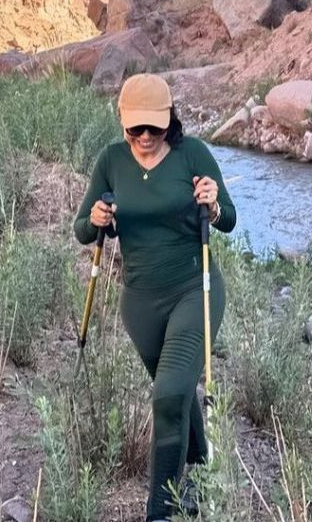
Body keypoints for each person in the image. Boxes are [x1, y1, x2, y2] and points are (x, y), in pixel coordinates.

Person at [73, 73, 236, 521]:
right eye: (135, 128)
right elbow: (82, 231)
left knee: (167, 396)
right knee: (178, 395)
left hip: (193, 289)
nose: (145, 137)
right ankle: (201, 474)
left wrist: (214, 203)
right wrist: (96, 217)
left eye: (155, 127)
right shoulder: (110, 161)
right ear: (122, 122)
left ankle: (160, 512)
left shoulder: (193, 154)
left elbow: (229, 220)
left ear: (170, 121)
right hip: (140, 302)